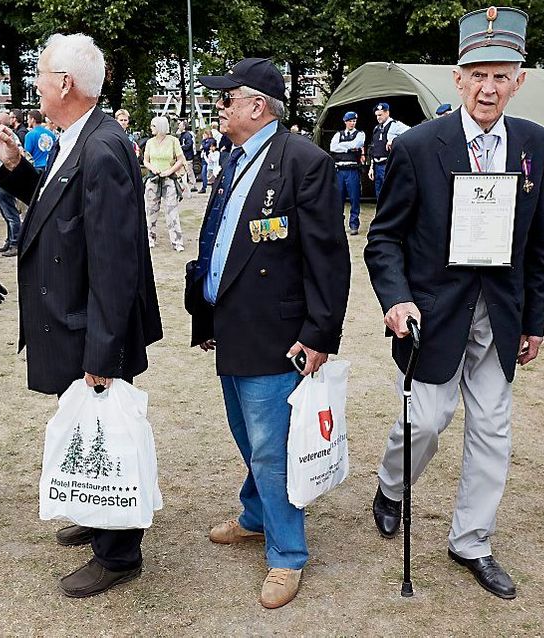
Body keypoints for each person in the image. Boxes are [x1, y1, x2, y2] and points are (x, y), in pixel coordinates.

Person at [364, 6, 544, 601]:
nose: (488, 87)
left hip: (499, 314)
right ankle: (393, 487)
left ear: (519, 80)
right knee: (425, 419)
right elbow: (385, 237)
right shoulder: (420, 146)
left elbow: (535, 243)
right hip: (434, 313)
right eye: (478, 73)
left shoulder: (537, 146)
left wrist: (534, 319)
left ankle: (471, 541)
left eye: (502, 75)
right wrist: (396, 300)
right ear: (458, 76)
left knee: (493, 430)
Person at [0, 32, 162, 598]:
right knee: (88, 428)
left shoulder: (103, 146)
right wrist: (14, 165)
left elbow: (114, 261)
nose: (35, 85)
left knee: (105, 433)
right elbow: (54, 202)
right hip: (72, 319)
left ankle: (118, 554)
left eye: (40, 75)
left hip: (91, 324)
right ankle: (95, 513)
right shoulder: (77, 136)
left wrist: (104, 351)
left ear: (66, 83)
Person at [187, 58, 350, 609]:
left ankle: (287, 554)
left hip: (277, 333)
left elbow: (328, 257)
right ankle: (256, 517)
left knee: (272, 447)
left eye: (226, 97)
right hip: (232, 324)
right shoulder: (235, 157)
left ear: (257, 106)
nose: (219, 105)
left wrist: (321, 334)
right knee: (246, 433)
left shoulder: (304, 162)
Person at [142, 116, 187, 251]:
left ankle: (177, 241)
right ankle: (149, 238)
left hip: (169, 179)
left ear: (160, 127)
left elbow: (180, 159)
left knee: (172, 210)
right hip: (153, 178)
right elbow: (145, 160)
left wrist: (169, 171)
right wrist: (152, 168)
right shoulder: (150, 142)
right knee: (150, 210)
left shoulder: (173, 141)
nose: (151, 128)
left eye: (153, 126)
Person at [0, 109, 22, 257]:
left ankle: (15, 242)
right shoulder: (3, 137)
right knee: (6, 213)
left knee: (11, 213)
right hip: (1, 178)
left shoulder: (8, 137)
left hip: (6, 178)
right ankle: (10, 240)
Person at [330, 111, 366, 235]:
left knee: (354, 199)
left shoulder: (360, 134)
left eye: (354, 121)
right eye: (350, 121)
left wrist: (343, 146)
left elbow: (357, 144)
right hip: (340, 170)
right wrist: (348, 147)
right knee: (338, 199)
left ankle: (354, 224)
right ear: (345, 122)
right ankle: (338, 224)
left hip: (352, 169)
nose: (352, 123)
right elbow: (333, 148)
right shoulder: (338, 134)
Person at [367, 102, 409, 198]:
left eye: (380, 115)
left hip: (388, 164)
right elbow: (374, 148)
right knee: (379, 193)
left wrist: (394, 140)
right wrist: (371, 167)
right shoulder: (376, 128)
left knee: (391, 192)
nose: (378, 118)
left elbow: (411, 133)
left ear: (387, 113)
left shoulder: (395, 125)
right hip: (377, 165)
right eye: (376, 115)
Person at [177, 119, 198, 194]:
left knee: (189, 171)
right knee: (183, 171)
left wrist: (181, 147)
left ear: (184, 127)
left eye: (180, 125)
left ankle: (193, 185)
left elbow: (189, 144)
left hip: (188, 156)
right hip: (184, 156)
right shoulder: (182, 135)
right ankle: (183, 185)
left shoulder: (187, 135)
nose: (178, 126)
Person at [198, 128, 215, 193]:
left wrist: (203, 141)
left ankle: (206, 187)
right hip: (206, 158)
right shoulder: (208, 140)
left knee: (207, 173)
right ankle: (204, 187)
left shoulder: (211, 141)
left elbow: (205, 147)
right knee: (205, 173)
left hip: (209, 158)